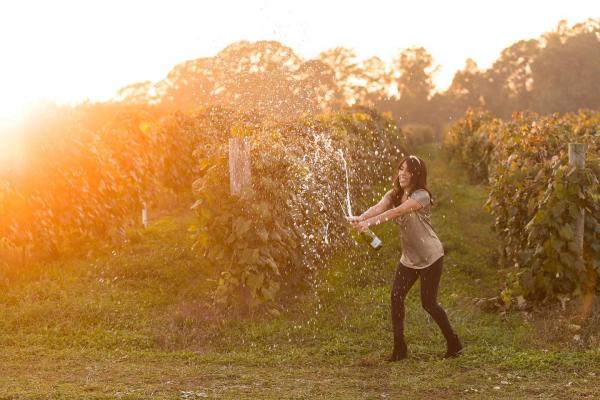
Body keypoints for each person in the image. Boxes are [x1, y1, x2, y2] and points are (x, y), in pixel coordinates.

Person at [349, 155, 462, 361]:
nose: (402, 173)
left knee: (429, 304)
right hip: (409, 258)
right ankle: (400, 349)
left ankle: (454, 343)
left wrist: (369, 224)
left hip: (430, 256)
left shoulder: (421, 196)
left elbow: (395, 213)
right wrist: (360, 218)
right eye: (400, 169)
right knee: (396, 297)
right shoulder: (394, 193)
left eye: (407, 171)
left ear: (416, 175)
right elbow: (378, 208)